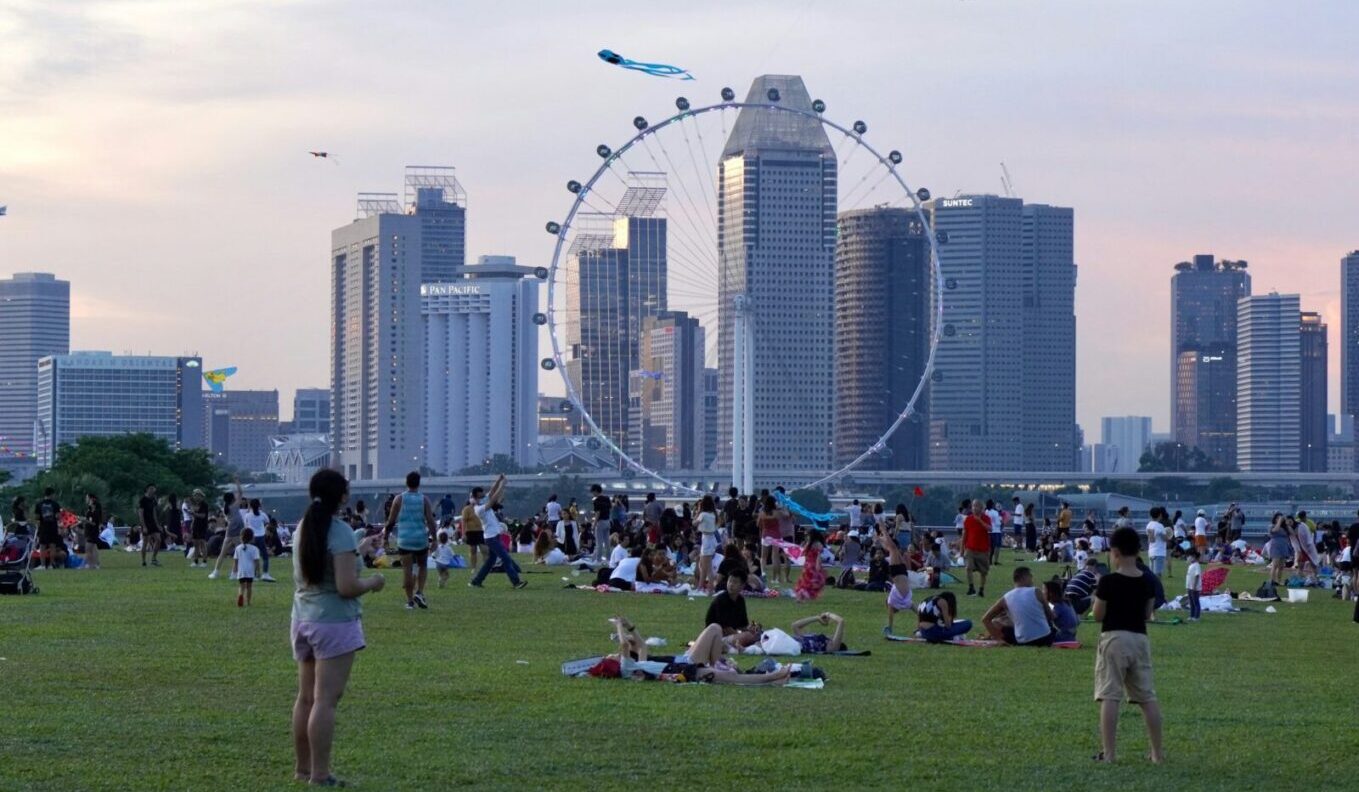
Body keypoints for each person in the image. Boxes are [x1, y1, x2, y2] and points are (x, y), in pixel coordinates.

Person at [290, 468, 385, 786]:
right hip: (333, 623)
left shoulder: (304, 527)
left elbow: (324, 566)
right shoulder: (340, 529)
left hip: (303, 619)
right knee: (325, 700)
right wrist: (373, 581)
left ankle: (302, 769)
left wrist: (360, 551)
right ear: (342, 496)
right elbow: (346, 586)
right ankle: (320, 774)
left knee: (305, 698)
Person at [1092, 525, 1163, 764]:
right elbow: (1147, 613)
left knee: (1110, 695)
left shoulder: (1108, 581)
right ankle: (1157, 754)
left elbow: (1098, 614)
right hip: (1139, 640)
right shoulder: (1148, 581)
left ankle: (1109, 754)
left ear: (1115, 553)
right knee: (1147, 697)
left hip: (1113, 638)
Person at [384, 471, 436, 610]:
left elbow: (391, 521)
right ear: (419, 483)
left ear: (406, 483)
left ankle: (410, 601)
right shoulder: (424, 499)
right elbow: (431, 521)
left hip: (405, 539)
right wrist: (435, 539)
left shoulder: (399, 499)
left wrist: (385, 538)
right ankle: (419, 592)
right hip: (420, 538)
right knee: (422, 565)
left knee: (407, 569)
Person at [468, 474, 527, 590]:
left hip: (494, 536)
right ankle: (516, 582)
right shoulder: (478, 509)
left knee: (491, 561)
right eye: (481, 495)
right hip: (491, 538)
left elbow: (492, 492)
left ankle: (476, 581)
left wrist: (498, 480)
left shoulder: (482, 502)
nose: (484, 496)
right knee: (505, 558)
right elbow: (493, 499)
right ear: (476, 498)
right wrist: (502, 485)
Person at [982, 566, 1056, 647]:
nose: (1032, 579)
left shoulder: (1006, 598)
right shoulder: (1036, 591)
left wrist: (998, 638)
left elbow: (986, 619)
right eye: (1030, 576)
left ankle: (998, 640)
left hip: (1022, 641)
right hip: (1046, 639)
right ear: (1024, 577)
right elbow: (1051, 616)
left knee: (997, 622)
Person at [875, 524, 915, 636]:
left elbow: (891, 616)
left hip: (899, 573)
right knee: (893, 548)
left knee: (892, 548)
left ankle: (882, 534)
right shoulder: (900, 601)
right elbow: (918, 611)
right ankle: (882, 533)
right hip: (901, 572)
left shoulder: (898, 600)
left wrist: (890, 627)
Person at [209, 480, 246, 580]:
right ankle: (234, 573)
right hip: (237, 530)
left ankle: (216, 572)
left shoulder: (226, 508)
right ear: (232, 499)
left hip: (230, 531)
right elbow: (241, 493)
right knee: (239, 552)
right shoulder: (234, 506)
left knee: (223, 552)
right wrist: (237, 481)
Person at [243, 498, 277, 582]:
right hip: (261, 537)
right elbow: (267, 522)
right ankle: (265, 574)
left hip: (252, 538)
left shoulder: (247, 515)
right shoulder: (262, 514)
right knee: (265, 557)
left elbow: (245, 525)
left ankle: (254, 575)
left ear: (250, 506)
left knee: (253, 557)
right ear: (259, 506)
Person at [962, 499, 992, 597]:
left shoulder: (986, 518)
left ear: (982, 508)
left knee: (983, 571)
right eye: (973, 506)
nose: (974, 508)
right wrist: (962, 548)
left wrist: (980, 520)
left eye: (977, 506)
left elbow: (989, 528)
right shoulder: (968, 519)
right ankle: (971, 587)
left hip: (983, 549)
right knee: (968, 567)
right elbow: (965, 534)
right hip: (970, 548)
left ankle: (981, 589)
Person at [794, 526, 827, 602]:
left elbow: (804, 554)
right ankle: (803, 596)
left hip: (807, 566)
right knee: (816, 582)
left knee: (805, 582)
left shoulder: (808, 544)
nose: (807, 537)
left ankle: (801, 597)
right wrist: (818, 566)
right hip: (813, 566)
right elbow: (818, 556)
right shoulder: (818, 544)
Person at [757, 496, 785, 586]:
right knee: (775, 557)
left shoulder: (762, 513)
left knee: (763, 556)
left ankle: (763, 573)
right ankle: (775, 578)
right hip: (776, 535)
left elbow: (758, 524)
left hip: (766, 535)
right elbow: (782, 518)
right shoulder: (777, 513)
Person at [35, 487, 62, 571]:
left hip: (43, 528)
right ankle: (51, 564)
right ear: (52, 494)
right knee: (52, 546)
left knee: (42, 546)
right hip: (53, 527)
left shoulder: (39, 504)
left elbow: (37, 517)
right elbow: (58, 516)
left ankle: (42, 565)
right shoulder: (55, 504)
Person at [695, 495, 718, 593]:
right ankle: (700, 588)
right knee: (704, 566)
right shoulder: (713, 514)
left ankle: (710, 589)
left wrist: (697, 512)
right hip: (711, 539)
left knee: (707, 567)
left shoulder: (703, 514)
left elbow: (694, 523)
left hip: (706, 540)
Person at [234, 527, 262, 607]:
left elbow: (236, 560)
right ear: (252, 537)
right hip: (250, 571)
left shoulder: (238, 548)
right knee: (249, 587)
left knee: (241, 586)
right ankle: (248, 602)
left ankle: (240, 595)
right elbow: (257, 561)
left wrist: (235, 570)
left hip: (241, 571)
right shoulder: (254, 549)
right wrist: (258, 571)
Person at [460, 488, 486, 570]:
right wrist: (463, 534)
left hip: (480, 531)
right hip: (470, 532)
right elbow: (463, 521)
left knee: (484, 550)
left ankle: (486, 567)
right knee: (473, 550)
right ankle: (473, 567)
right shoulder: (466, 509)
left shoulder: (481, 507)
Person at [138, 484, 162, 567]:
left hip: (153, 523)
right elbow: (140, 513)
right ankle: (143, 561)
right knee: (145, 542)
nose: (153, 490)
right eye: (151, 489)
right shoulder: (143, 500)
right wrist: (144, 526)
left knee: (158, 539)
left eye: (154, 489)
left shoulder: (153, 499)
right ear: (147, 489)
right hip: (146, 523)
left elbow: (154, 513)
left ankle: (153, 559)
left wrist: (157, 524)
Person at [188, 490, 210, 568]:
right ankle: (196, 561)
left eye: (198, 495)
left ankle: (204, 562)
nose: (196, 497)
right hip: (195, 526)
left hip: (202, 526)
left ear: (201, 496)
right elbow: (195, 517)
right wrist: (192, 524)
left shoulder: (204, 505)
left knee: (202, 543)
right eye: (195, 495)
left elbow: (203, 516)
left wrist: (194, 514)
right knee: (195, 544)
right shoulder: (195, 505)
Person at [1266, 513, 1290, 585]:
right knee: (1275, 564)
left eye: (1280, 518)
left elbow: (1291, 533)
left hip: (1284, 546)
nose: (1279, 519)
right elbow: (1275, 530)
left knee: (1281, 566)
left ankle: (1278, 581)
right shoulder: (1272, 526)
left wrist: (1287, 523)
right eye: (1277, 518)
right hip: (1275, 546)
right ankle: (1272, 581)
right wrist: (1279, 521)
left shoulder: (1285, 527)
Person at [82, 493, 103, 570]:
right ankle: (96, 563)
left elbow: (94, 522)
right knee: (93, 548)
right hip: (91, 531)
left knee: (88, 549)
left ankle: (91, 565)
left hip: (92, 531)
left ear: (91, 499)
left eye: (87, 498)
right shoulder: (91, 509)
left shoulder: (94, 511)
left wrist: (85, 520)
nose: (86, 499)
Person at [1145, 507, 1168, 578]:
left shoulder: (1149, 525)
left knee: (1152, 575)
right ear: (1160, 515)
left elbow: (1150, 539)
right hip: (1159, 552)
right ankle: (1157, 589)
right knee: (1158, 575)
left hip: (1151, 551)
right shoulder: (1160, 526)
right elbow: (1165, 539)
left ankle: (1151, 589)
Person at [1184, 550, 1202, 622]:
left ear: (1194, 557)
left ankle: (1196, 617)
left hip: (1194, 588)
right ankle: (1191, 616)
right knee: (1191, 602)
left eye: (1189, 556)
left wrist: (1194, 586)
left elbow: (1197, 576)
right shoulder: (1191, 565)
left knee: (1195, 602)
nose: (1188, 558)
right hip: (1189, 587)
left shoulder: (1197, 565)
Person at [985, 500, 1003, 565]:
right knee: (997, 546)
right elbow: (998, 523)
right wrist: (1001, 520)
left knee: (990, 547)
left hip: (988, 531)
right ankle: (996, 560)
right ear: (992, 505)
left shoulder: (985, 512)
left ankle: (989, 559)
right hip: (996, 531)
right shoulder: (995, 512)